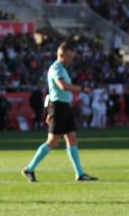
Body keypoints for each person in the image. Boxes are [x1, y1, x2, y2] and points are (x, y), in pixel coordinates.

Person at [21, 43, 97, 182]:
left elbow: (51, 92)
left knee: (72, 138)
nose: (71, 60)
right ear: (61, 55)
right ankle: (29, 168)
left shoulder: (62, 68)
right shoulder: (56, 68)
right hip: (58, 107)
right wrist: (81, 89)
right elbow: (62, 86)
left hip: (63, 107)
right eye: (69, 57)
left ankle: (79, 173)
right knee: (53, 141)